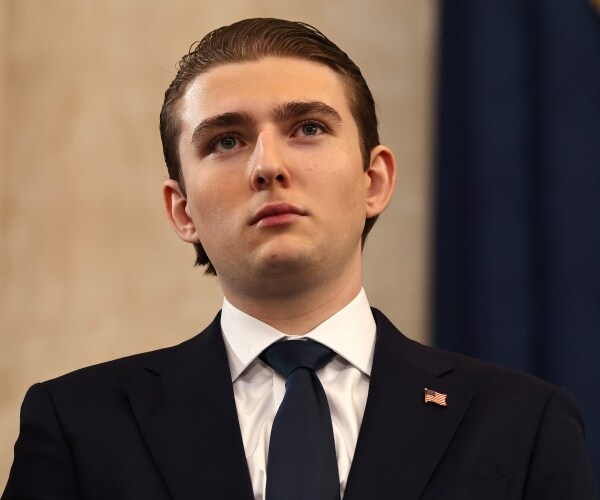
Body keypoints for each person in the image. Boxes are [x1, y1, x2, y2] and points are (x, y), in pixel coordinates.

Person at [3, 18, 596, 500]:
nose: (268, 165)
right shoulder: (79, 425)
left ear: (374, 181)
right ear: (182, 211)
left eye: (308, 128)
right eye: (226, 141)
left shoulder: (524, 423)